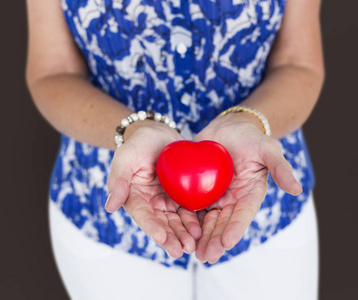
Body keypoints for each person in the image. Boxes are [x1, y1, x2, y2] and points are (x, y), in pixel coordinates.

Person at [26, 0, 324, 299]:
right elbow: (53, 70)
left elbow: (298, 62)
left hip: (266, 211)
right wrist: (133, 129)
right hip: (104, 213)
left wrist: (248, 121)